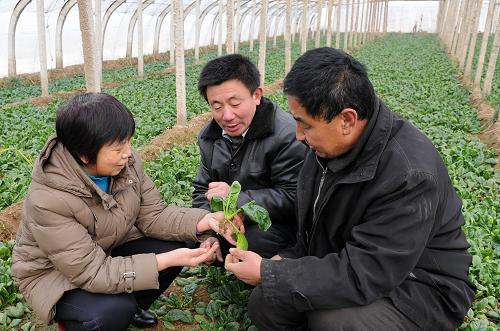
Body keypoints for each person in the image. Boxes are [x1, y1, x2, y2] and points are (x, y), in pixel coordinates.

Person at [225, 47, 475, 330]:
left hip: (420, 286)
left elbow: (368, 271)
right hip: (353, 261)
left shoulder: (409, 174)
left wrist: (270, 272)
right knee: (267, 304)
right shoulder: (324, 149)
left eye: (304, 125)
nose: (298, 136)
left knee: (334, 321)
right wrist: (285, 262)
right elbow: (314, 228)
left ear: (347, 120)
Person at [11, 93, 236, 331]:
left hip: (105, 248)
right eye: (118, 147)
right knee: (111, 311)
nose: (128, 153)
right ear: (84, 155)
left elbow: (155, 215)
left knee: (179, 240)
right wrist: (167, 260)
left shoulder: (124, 163)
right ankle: (82, 320)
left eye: (128, 142)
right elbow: (92, 271)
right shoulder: (48, 200)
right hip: (57, 274)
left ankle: (131, 306)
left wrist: (205, 220)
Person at [192, 54, 307, 258]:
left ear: (256, 95)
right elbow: (202, 189)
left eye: (235, 104)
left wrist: (239, 201)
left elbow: (293, 197)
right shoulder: (209, 137)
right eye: (217, 107)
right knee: (190, 232)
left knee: (254, 241)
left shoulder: (286, 134)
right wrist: (210, 230)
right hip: (233, 220)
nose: (227, 116)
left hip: (277, 224)